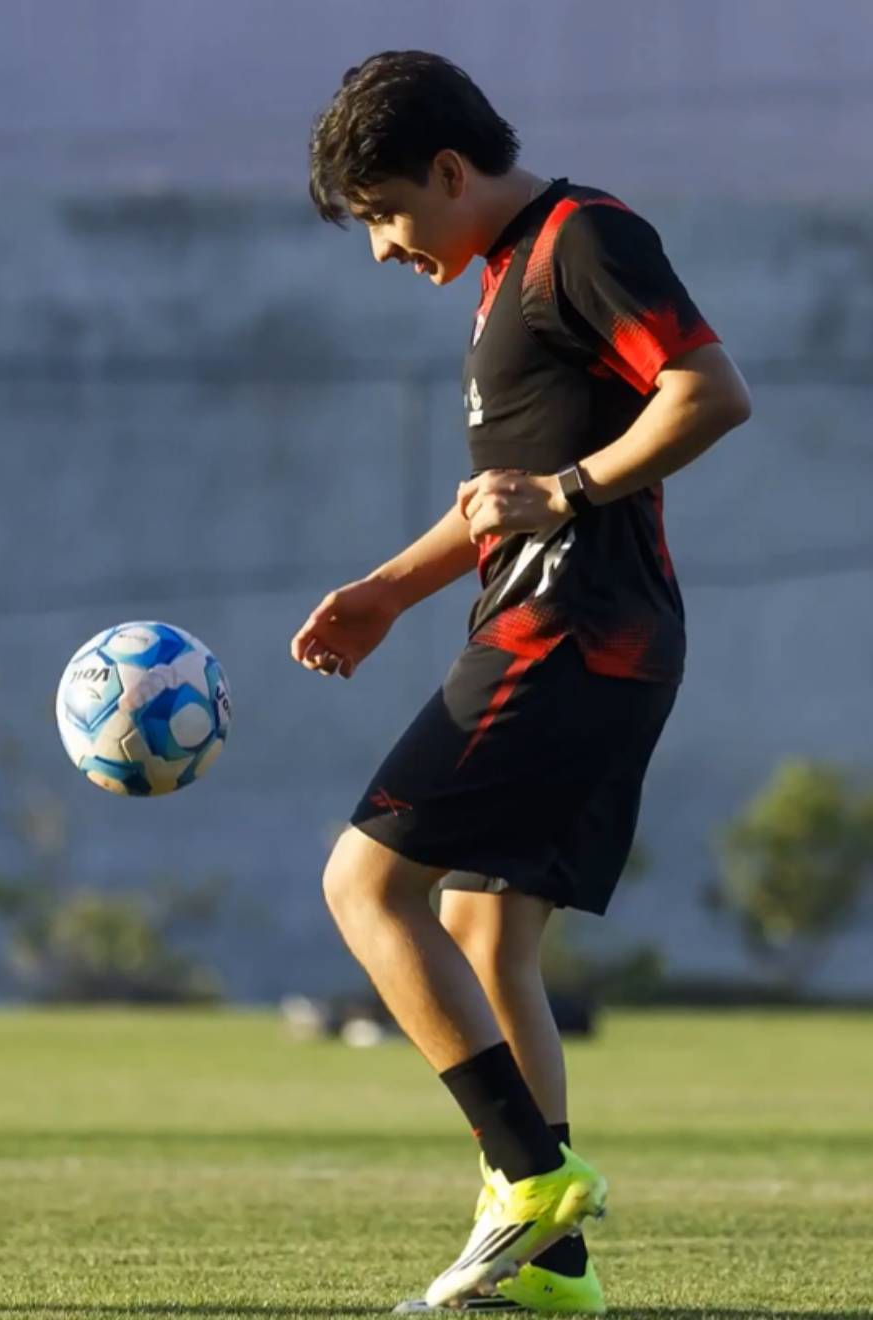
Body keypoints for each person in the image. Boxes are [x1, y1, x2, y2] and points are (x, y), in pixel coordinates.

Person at [295, 51, 751, 1313]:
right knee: (487, 932)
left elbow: (711, 392)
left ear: (451, 171)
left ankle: (527, 1174)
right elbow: (505, 497)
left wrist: (567, 490)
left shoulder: (582, 238)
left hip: (571, 637)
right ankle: (551, 1272)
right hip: (578, 634)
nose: (383, 248)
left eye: (385, 213)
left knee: (364, 881)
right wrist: (390, 588)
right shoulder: (506, 274)